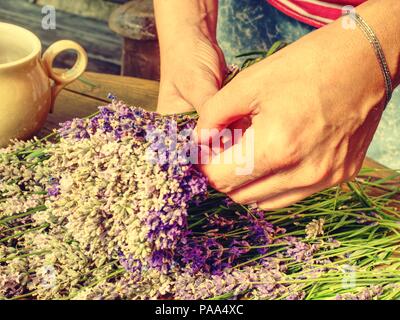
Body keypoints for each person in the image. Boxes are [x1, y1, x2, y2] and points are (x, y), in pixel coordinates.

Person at [153, 0, 400, 210]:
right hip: (247, 15)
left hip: (387, 29)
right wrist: (186, 26)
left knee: (380, 194)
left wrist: (378, 48)